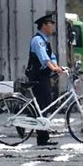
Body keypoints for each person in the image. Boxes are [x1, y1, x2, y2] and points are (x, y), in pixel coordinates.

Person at [26, 14, 63, 146]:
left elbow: (51, 56)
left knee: (46, 104)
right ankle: (42, 137)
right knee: (43, 104)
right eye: (50, 24)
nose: (52, 27)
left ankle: (43, 135)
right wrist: (53, 68)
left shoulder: (45, 40)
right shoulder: (38, 40)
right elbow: (43, 58)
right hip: (37, 76)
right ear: (43, 26)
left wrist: (57, 67)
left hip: (43, 76)